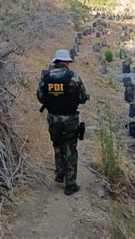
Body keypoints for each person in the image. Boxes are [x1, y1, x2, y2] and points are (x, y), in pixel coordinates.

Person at [37, 49, 89, 196]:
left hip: (53, 118)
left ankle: (60, 174)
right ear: (66, 62)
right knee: (70, 149)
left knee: (57, 145)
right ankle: (70, 184)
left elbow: (40, 97)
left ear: (56, 62)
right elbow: (83, 98)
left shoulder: (46, 77)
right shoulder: (74, 78)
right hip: (70, 120)